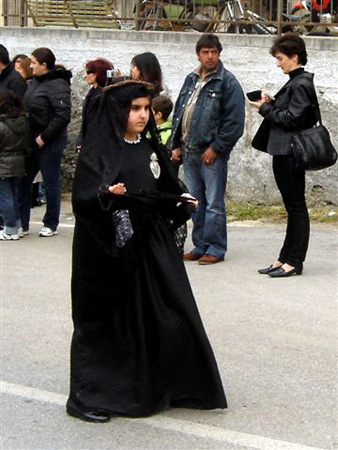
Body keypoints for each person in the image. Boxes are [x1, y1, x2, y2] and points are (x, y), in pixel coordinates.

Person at [66, 80, 227, 423]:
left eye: (145, 108)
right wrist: (106, 196)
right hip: (111, 252)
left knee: (170, 313)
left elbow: (161, 187)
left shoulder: (148, 146)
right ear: (117, 111)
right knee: (108, 324)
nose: (142, 115)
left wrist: (179, 200)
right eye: (134, 108)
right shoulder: (100, 150)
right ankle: (85, 397)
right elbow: (83, 199)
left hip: (150, 247)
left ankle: (170, 384)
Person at [171, 33, 245, 265]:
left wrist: (217, 147)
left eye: (214, 52)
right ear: (198, 54)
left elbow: (234, 122)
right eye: (205, 52)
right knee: (195, 202)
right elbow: (179, 112)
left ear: (219, 53)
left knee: (213, 203)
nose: (210, 56)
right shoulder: (191, 79)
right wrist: (175, 144)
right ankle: (200, 245)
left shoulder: (228, 82)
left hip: (211, 154)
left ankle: (215, 248)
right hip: (189, 150)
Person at [249, 32, 317, 278]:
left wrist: (265, 108)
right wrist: (270, 103)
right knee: (293, 207)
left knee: (297, 207)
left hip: (290, 153)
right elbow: (290, 112)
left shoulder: (301, 83)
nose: (277, 63)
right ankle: (284, 258)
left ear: (294, 57)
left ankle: (294, 262)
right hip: (284, 152)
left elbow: (292, 119)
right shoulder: (295, 81)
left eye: (280, 58)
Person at [19, 47, 71, 237]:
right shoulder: (33, 83)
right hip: (31, 138)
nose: (30, 66)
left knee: (50, 181)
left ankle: (50, 223)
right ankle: (21, 223)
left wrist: (44, 137)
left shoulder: (58, 85)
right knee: (24, 180)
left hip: (50, 139)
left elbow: (63, 115)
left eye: (33, 63)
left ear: (44, 65)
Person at [0, 90, 31, 240]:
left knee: (5, 197)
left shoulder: (1, 124)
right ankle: (17, 226)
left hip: (3, 163)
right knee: (13, 195)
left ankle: (10, 228)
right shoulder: (23, 120)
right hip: (19, 162)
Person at [75, 58, 114, 152]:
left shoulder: (101, 95)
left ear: (97, 74)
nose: (86, 76)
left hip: (95, 145)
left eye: (89, 73)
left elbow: (96, 122)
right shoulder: (93, 93)